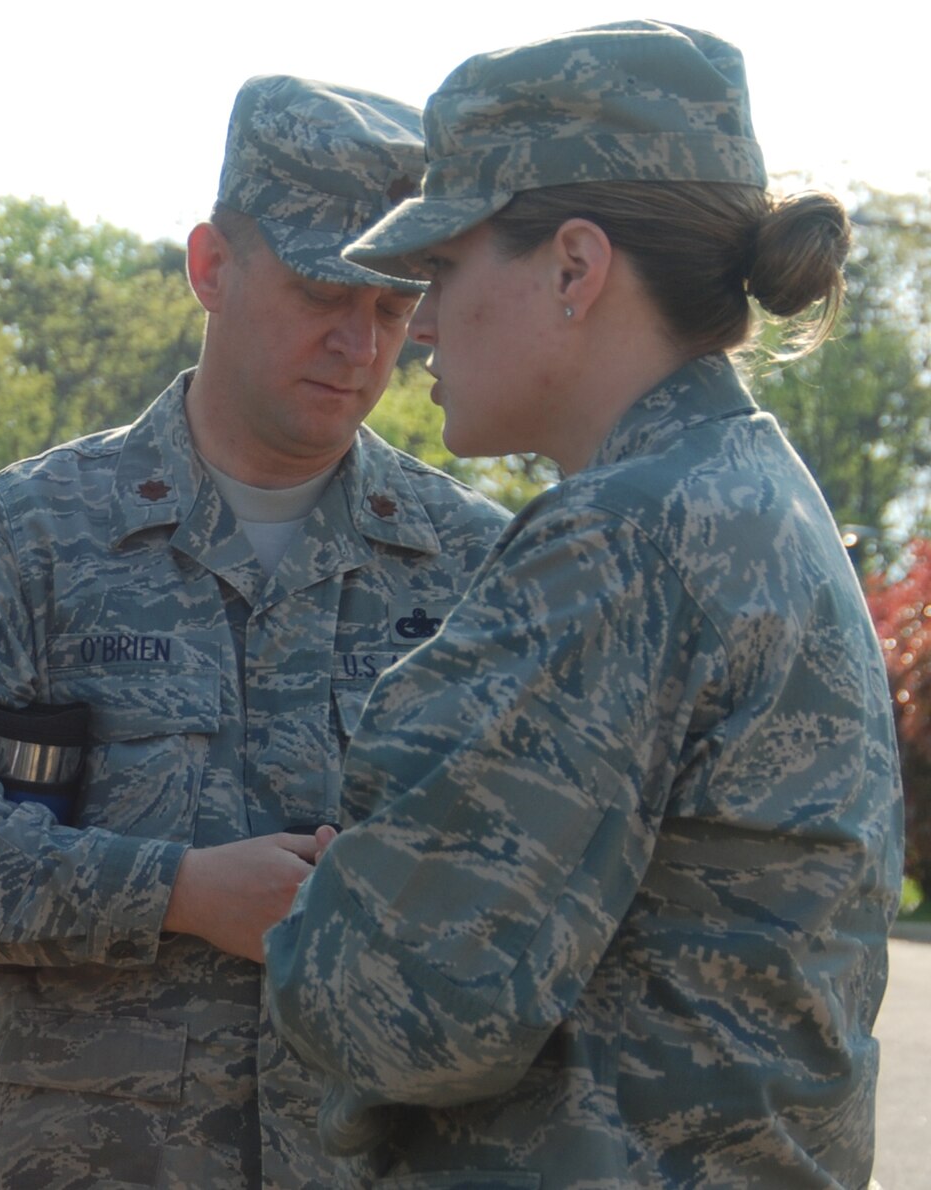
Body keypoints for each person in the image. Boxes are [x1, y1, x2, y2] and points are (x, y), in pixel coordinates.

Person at [0, 77, 511, 1187]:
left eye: (392, 308)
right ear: (209, 267)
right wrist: (171, 889)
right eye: (321, 291)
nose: (357, 343)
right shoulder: (31, 538)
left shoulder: (474, 563)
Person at [262, 22, 901, 1187]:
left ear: (572, 267)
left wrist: (318, 909)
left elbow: (400, 1006)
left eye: (444, 270)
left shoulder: (622, 537)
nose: (421, 328)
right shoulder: (742, 491)